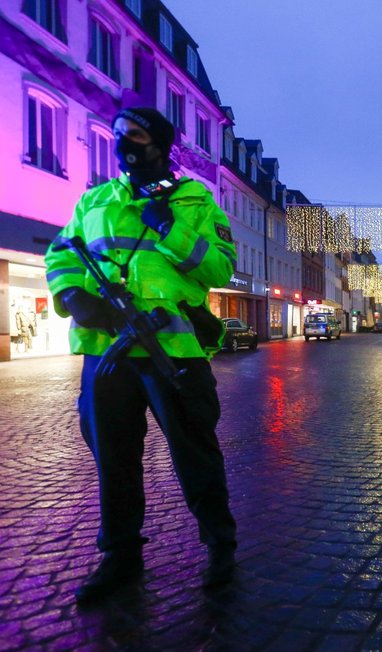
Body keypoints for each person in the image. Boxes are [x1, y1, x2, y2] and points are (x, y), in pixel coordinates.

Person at [45, 107, 239, 603]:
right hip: (107, 351)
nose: (124, 143)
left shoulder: (196, 200)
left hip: (172, 350)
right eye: (117, 135)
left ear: (160, 145)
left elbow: (218, 268)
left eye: (135, 135)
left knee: (194, 450)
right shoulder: (95, 199)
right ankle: (120, 553)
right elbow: (62, 251)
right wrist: (72, 296)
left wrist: (170, 228)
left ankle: (219, 544)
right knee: (113, 457)